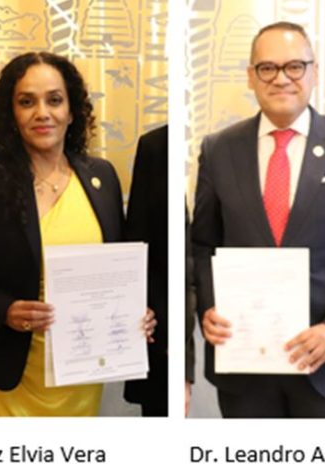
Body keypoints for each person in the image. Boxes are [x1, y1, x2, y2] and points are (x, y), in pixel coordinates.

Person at [192, 21, 325, 418]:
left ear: (315, 72)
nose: (281, 78)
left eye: (294, 66)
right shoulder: (219, 149)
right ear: (251, 77)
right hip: (245, 368)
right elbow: (203, 245)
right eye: (267, 68)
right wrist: (210, 305)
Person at [0, 52, 155, 417]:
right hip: (5, 379)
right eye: (27, 102)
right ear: (11, 113)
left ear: (72, 111)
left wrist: (135, 311)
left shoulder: (102, 178)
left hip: (79, 376)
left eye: (54, 100)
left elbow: (117, 270)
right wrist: (4, 310)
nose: (42, 113)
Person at [123, 125, 196, 416]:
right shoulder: (156, 146)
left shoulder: (236, 146)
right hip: (163, 341)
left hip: (246, 332)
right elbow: (141, 243)